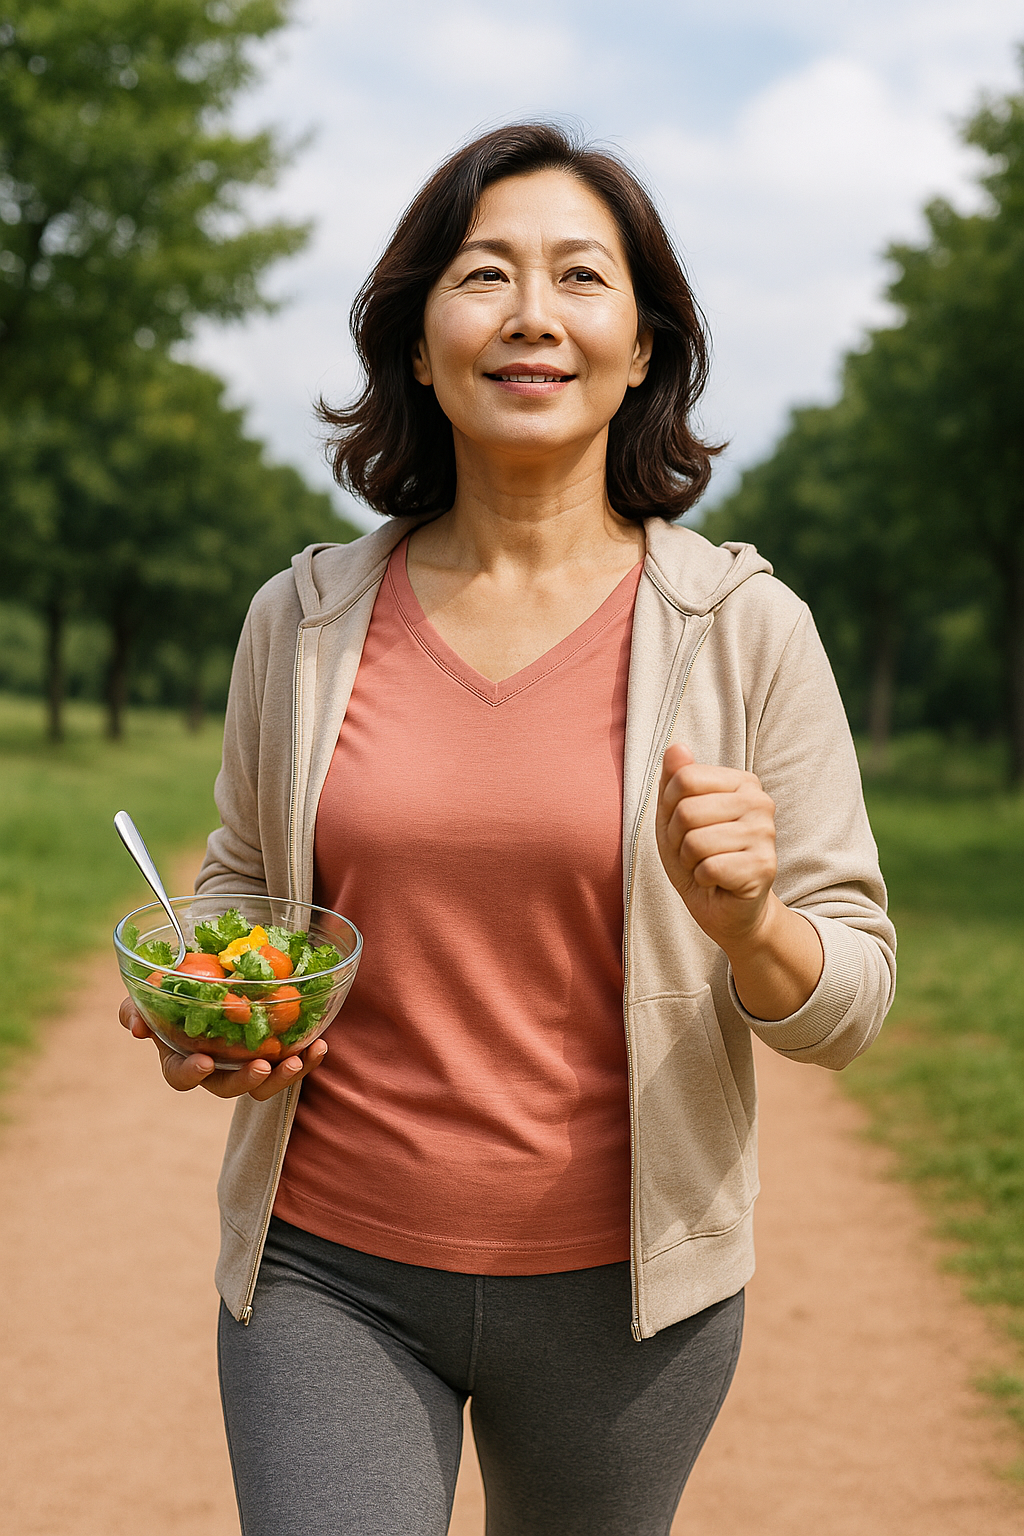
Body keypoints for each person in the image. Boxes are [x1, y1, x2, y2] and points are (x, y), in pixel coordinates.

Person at [121, 122, 896, 1536]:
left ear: (645, 345)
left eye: (581, 277)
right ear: (419, 343)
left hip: (629, 1305)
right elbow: (244, 884)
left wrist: (752, 926)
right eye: (485, 274)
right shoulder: (298, 622)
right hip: (328, 1274)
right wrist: (213, 1014)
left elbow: (844, 1002)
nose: (533, 313)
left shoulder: (746, 630)